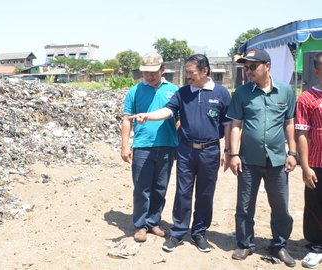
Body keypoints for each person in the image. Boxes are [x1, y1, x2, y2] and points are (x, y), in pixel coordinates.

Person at [130, 54, 231, 252]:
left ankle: (199, 233)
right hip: (185, 150)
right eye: (186, 72)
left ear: (205, 71)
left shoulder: (221, 93)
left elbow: (228, 123)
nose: (188, 76)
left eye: (191, 72)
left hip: (210, 151)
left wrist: (228, 150)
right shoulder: (183, 93)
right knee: (183, 192)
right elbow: (168, 111)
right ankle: (178, 232)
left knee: (205, 193)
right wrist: (149, 116)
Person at [227, 49, 297, 267]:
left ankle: (279, 245)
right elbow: (236, 125)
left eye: (252, 67)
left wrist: (292, 152)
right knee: (245, 205)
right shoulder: (241, 94)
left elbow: (289, 124)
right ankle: (245, 244)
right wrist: (234, 154)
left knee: (280, 207)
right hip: (248, 159)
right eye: (245, 67)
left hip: (277, 159)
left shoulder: (285, 91)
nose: (248, 71)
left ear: (267, 66)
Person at [120, 52, 179, 243]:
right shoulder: (134, 91)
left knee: (160, 187)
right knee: (141, 188)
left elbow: (179, 119)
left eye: (153, 72)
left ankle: (154, 222)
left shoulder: (173, 90)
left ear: (163, 70)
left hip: (167, 147)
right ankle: (140, 225)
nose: (149, 76)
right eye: (146, 72)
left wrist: (175, 138)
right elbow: (126, 120)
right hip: (143, 147)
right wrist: (125, 146)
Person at [295, 52, 322, 269]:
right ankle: (316, 246)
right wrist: (305, 166)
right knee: (315, 204)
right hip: (316, 162)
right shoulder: (306, 98)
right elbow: (302, 134)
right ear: (316, 71)